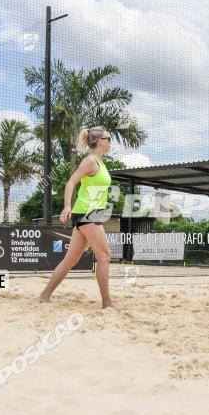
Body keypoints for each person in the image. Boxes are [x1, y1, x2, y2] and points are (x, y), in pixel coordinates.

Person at [40, 126, 119, 308]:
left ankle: (44, 295)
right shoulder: (90, 161)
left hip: (90, 213)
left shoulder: (100, 162)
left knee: (71, 260)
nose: (110, 142)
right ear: (100, 141)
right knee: (104, 256)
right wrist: (67, 205)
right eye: (108, 138)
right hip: (86, 213)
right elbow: (71, 182)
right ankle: (107, 302)